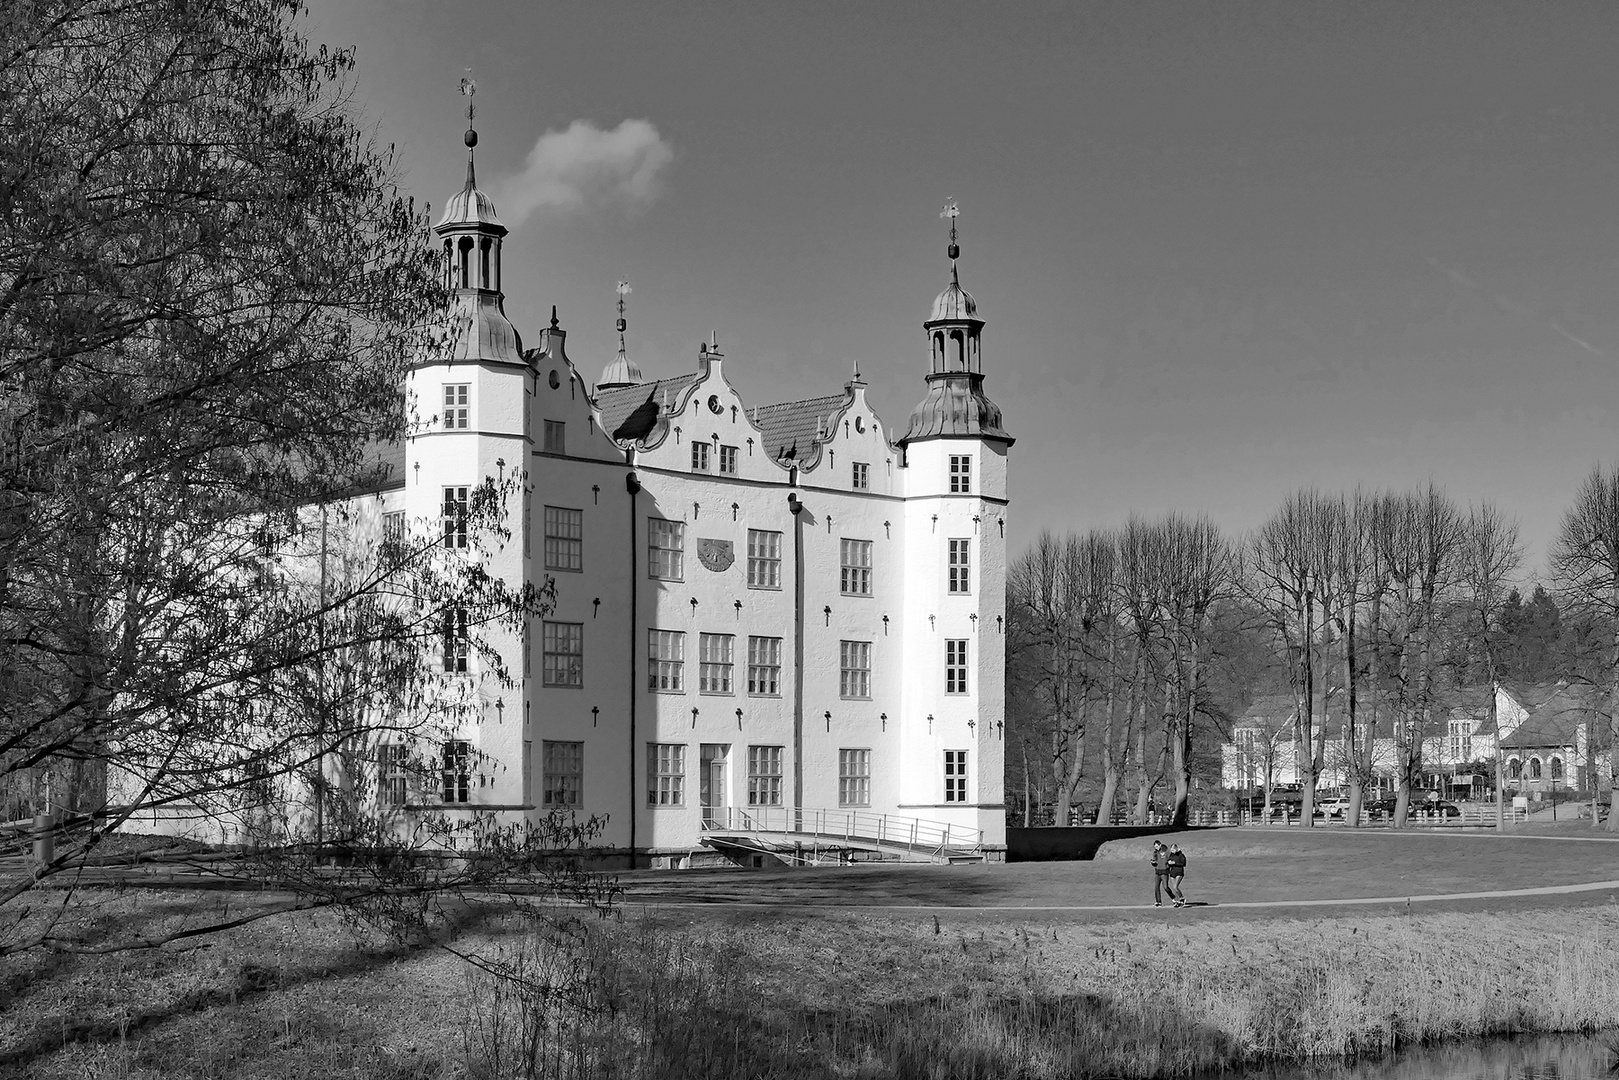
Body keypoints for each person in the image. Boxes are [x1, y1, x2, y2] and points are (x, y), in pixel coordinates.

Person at [1150, 840, 1170, 906]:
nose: (1156, 848)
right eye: (1155, 846)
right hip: (1157, 872)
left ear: (1160, 845)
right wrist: (1153, 863)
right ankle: (1158, 901)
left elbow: (1168, 857)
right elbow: (1155, 862)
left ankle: (1174, 898)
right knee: (1156, 887)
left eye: (1157, 846)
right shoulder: (1155, 853)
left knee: (1166, 887)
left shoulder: (1165, 850)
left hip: (1164, 871)